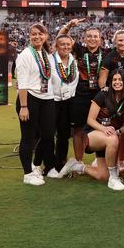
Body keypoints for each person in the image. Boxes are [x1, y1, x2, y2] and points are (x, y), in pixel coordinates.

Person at [58, 70, 124, 189]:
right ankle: (114, 178)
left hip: (111, 136)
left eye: (120, 80)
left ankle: (76, 166)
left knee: (103, 176)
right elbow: (90, 120)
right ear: (110, 82)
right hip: (92, 133)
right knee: (113, 139)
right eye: (114, 80)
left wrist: (119, 131)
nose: (117, 82)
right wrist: (103, 129)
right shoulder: (103, 94)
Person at [58, 19, 106, 168]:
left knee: (100, 126)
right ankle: (78, 162)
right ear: (84, 39)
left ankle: (100, 160)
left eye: (95, 36)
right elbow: (60, 39)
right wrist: (69, 25)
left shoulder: (106, 54)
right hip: (79, 94)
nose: (92, 39)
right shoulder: (78, 50)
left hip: (98, 96)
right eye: (89, 36)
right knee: (78, 128)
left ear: (100, 39)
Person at [15, 24, 56, 186]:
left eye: (40, 34)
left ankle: (37, 165)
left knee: (47, 136)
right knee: (28, 138)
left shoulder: (46, 53)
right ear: (29, 36)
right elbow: (22, 83)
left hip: (47, 99)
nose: (37, 37)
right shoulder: (25, 55)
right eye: (33, 34)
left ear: (45, 36)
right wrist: (24, 107)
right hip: (29, 99)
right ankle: (27, 173)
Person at [45, 34, 79, 177]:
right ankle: (49, 165)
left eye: (68, 44)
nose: (66, 47)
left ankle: (60, 162)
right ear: (56, 47)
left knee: (64, 134)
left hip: (68, 101)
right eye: (62, 44)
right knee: (48, 134)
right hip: (52, 101)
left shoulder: (73, 61)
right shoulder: (50, 60)